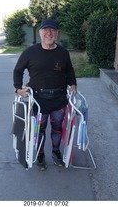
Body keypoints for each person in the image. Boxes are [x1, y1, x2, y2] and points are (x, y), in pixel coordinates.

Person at [13, 18, 77, 171]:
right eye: (46, 30)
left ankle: (56, 152)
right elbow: (18, 70)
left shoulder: (63, 53)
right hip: (38, 101)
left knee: (57, 129)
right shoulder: (30, 52)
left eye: (53, 30)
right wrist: (17, 89)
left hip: (59, 99)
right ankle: (40, 155)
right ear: (40, 32)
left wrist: (73, 84)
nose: (49, 33)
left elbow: (69, 70)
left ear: (57, 33)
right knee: (39, 130)